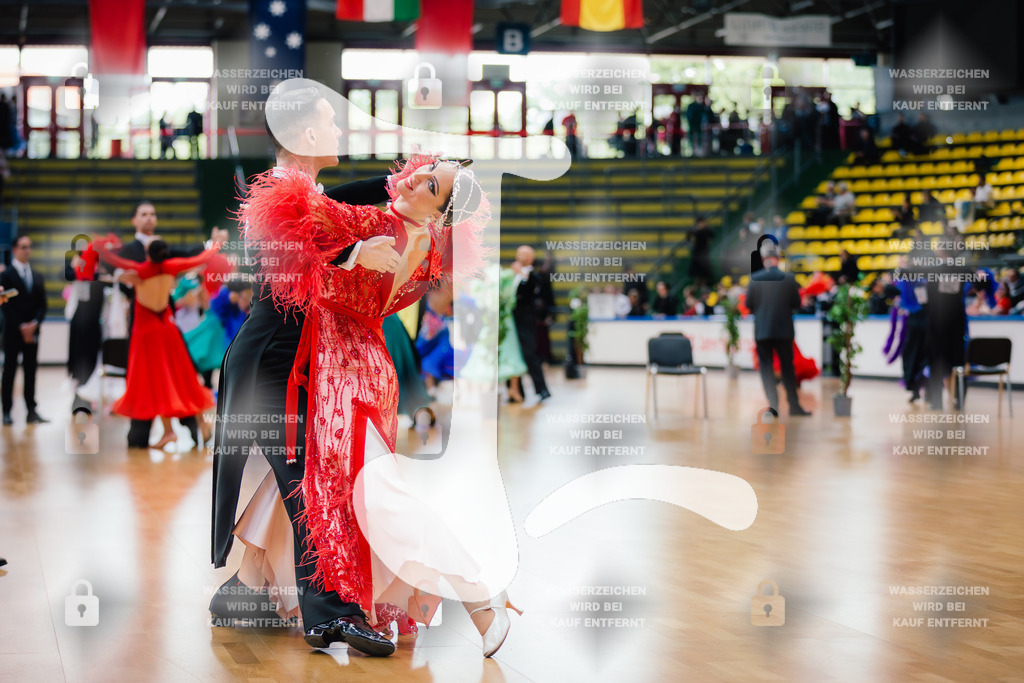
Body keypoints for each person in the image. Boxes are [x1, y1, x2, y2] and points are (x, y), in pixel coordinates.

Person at [238, 150, 520, 656]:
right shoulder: (432, 247)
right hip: (369, 370)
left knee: (365, 495)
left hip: (340, 374)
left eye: (430, 187)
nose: (414, 179)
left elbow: (297, 222)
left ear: (439, 212)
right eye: (424, 170)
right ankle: (247, 591)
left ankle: (481, 597)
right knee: (315, 487)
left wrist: (346, 251)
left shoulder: (374, 221)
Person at [211, 87, 399, 656]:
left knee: (304, 479)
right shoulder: (277, 193)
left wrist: (407, 189)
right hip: (268, 368)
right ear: (304, 134)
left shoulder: (307, 191)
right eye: (330, 120)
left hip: (296, 367)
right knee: (304, 485)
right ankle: (328, 616)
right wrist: (351, 255)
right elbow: (294, 254)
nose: (340, 129)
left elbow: (341, 208)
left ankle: (242, 594)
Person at [95, 238, 220, 449]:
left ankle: (170, 431)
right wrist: (216, 244)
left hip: (146, 335)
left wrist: (97, 247)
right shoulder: (172, 266)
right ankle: (187, 425)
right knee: (182, 380)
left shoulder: (141, 270)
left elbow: (114, 261)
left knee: (156, 383)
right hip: (168, 330)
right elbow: (201, 258)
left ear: (148, 253)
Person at [119, 201, 224, 447]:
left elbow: (189, 254)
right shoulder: (130, 251)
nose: (148, 218)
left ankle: (187, 428)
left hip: (160, 327)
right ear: (135, 220)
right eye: (143, 214)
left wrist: (211, 244)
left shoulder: (162, 252)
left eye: (152, 214)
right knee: (168, 378)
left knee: (168, 377)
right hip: (147, 327)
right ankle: (181, 428)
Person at [745, 239, 811, 416]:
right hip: (784, 331)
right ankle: (794, 406)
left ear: (764, 258)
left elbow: (748, 304)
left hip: (762, 331)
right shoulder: (789, 279)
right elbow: (797, 304)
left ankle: (773, 406)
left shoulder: (754, 279)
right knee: (788, 368)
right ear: (777, 258)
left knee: (766, 368)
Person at [1, 235, 48, 425]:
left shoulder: (37, 275)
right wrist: (21, 326)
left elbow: (42, 305)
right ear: (14, 250)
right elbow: (6, 305)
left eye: (29, 247)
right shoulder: (5, 275)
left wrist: (34, 323)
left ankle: (31, 410)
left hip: (33, 330)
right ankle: (7, 411)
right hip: (13, 331)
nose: (27, 250)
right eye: (23, 247)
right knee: (10, 371)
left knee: (31, 371)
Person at [512, 245, 551, 402]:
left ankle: (542, 389)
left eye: (523, 254)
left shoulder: (532, 277)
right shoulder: (512, 275)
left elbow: (534, 287)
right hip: (511, 319)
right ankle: (516, 391)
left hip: (526, 320)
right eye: (518, 253)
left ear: (530, 258)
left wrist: (520, 274)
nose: (519, 257)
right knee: (512, 355)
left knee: (530, 354)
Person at [689, 216, 713, 289]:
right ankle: (696, 284)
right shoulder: (696, 231)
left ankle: (703, 284)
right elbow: (689, 236)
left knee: (705, 269)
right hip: (697, 253)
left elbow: (712, 235)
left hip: (704, 252)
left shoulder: (706, 231)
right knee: (697, 270)